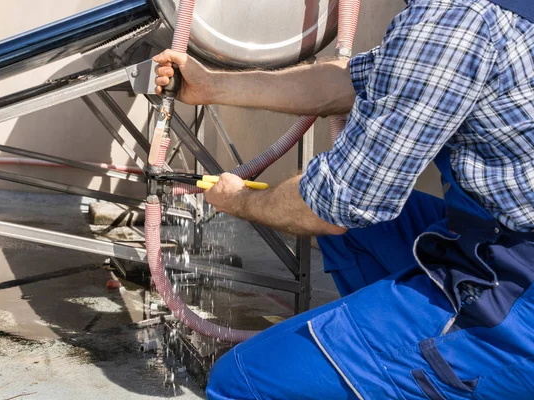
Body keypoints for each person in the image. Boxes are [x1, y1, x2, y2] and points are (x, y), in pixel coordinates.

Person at [154, 0, 534, 398]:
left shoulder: (456, 18)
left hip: (515, 295)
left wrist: (239, 203)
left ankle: (437, 360)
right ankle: (384, 368)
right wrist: (214, 85)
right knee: (358, 232)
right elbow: (350, 82)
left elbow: (340, 201)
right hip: (492, 236)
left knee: (243, 381)